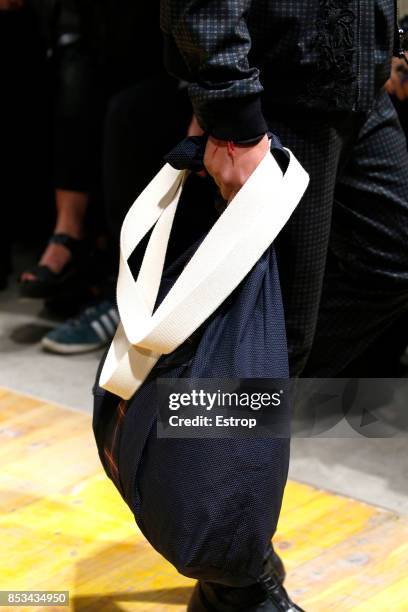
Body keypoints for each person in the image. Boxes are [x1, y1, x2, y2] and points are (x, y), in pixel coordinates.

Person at [160, 1, 408, 610]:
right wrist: (230, 109)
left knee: (389, 262)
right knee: (276, 335)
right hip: (277, 92)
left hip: (360, 77)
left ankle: (198, 411)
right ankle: (234, 583)